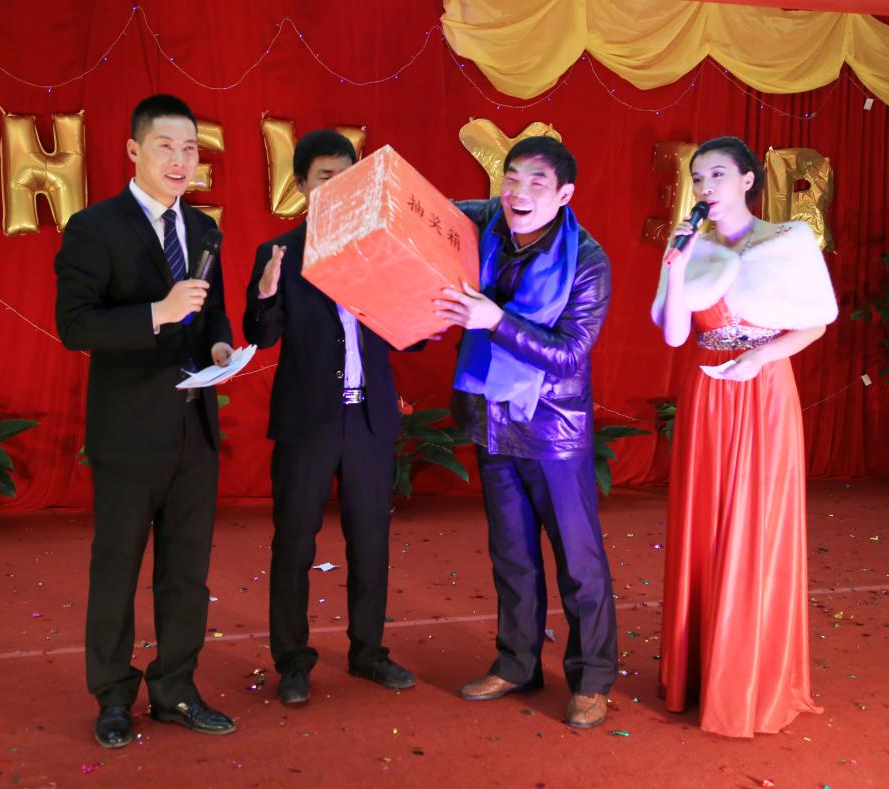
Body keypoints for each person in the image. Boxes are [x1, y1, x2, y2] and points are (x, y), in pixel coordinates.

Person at [55, 94, 236, 748]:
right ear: (134, 150)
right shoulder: (94, 227)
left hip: (195, 429)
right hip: (129, 433)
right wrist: (156, 312)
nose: (181, 160)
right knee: (117, 567)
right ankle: (112, 695)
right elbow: (74, 324)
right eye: (166, 146)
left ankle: (176, 688)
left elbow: (211, 312)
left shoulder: (204, 229)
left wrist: (221, 346)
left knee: (186, 573)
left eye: (190, 148)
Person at [650, 135, 837, 738]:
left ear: (748, 180)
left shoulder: (788, 240)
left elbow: (816, 322)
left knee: (758, 524)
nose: (705, 187)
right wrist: (677, 267)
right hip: (707, 392)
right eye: (698, 177)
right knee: (704, 523)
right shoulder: (690, 245)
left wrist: (758, 359)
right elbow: (675, 335)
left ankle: (751, 676)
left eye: (718, 175)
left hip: (765, 389)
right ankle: (699, 671)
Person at [435, 136, 618, 729]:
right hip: (492, 418)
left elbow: (569, 354)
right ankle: (517, 664)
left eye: (537, 182)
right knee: (512, 556)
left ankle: (592, 679)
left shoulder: (587, 260)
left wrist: (495, 320)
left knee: (578, 561)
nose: (518, 192)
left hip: (553, 429)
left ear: (564, 195)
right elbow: (429, 215)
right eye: (511, 177)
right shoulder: (487, 218)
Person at [243, 129, 416, 706]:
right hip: (308, 423)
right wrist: (266, 294)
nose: (339, 187)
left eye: (349, 177)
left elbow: (407, 335)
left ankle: (368, 652)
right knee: (294, 543)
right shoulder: (280, 254)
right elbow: (260, 335)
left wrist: (425, 306)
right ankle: (292, 661)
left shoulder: (380, 247)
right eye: (325, 177)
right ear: (301, 185)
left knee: (371, 543)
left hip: (368, 421)